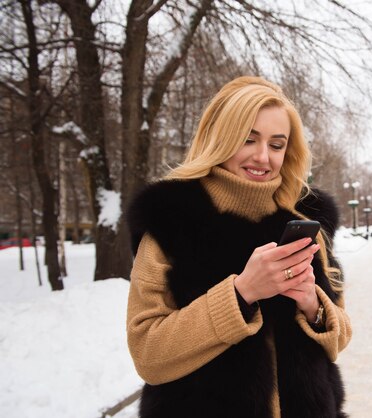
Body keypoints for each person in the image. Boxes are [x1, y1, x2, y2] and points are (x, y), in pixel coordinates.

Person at [126, 76, 352, 418]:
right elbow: (147, 354)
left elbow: (340, 338)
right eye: (248, 139)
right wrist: (241, 293)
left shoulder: (306, 223)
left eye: (277, 145)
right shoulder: (171, 222)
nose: (263, 157)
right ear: (221, 137)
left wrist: (312, 305)